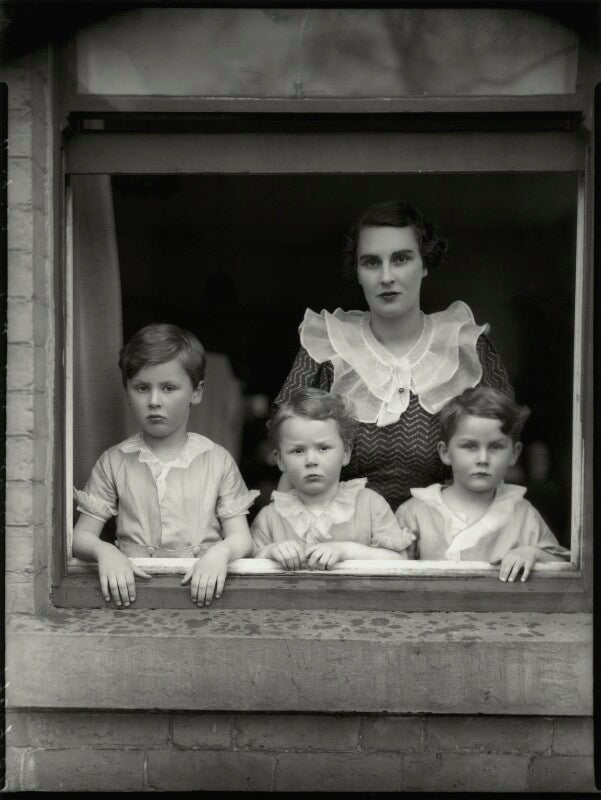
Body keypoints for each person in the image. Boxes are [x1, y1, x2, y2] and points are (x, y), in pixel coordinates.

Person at [274, 200, 513, 511]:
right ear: (357, 271)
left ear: (424, 264)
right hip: (341, 534)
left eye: (401, 259)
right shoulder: (326, 351)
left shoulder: (466, 349)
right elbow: (291, 472)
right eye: (372, 262)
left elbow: (498, 467)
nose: (386, 276)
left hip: (445, 532)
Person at [72, 323, 258, 607]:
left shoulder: (217, 460)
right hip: (134, 595)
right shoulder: (114, 460)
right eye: (142, 388)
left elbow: (241, 538)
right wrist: (105, 552)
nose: (154, 401)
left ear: (196, 392)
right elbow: (82, 536)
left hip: (205, 593)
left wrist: (220, 554)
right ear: (127, 392)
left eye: (169, 388)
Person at [395, 386, 569, 581]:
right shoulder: (415, 513)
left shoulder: (523, 514)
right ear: (445, 452)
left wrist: (533, 553)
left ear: (514, 453)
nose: (483, 459)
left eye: (495, 447)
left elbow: (564, 569)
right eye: (470, 446)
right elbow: (390, 577)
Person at [251, 388, 414, 569]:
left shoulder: (370, 505)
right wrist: (271, 552)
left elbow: (400, 562)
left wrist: (347, 551)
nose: (311, 460)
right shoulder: (270, 517)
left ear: (346, 453)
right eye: (298, 451)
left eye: (323, 448)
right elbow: (247, 568)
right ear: (280, 460)